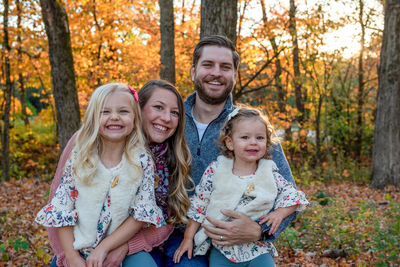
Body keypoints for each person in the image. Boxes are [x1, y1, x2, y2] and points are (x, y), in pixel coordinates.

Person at [162, 35, 298, 267]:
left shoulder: (251, 127)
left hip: (242, 240)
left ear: (234, 75)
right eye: (208, 65)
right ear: (193, 72)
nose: (216, 73)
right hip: (183, 235)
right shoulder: (171, 120)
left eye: (225, 67)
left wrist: (259, 231)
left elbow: (288, 192)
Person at [44, 80, 192, 267]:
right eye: (158, 107)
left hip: (127, 245)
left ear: (133, 116)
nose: (166, 118)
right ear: (140, 110)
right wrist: (68, 257)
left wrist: (114, 247)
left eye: (175, 113)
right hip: (75, 247)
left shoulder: (147, 160)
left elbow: (149, 215)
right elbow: (59, 208)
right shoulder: (81, 150)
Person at [173, 107, 309, 266]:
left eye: (259, 138)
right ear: (230, 142)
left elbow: (293, 196)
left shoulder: (269, 172)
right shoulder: (217, 170)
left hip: (257, 249)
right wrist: (188, 238)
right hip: (222, 248)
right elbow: (199, 206)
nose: (253, 142)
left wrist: (280, 213)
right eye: (245, 137)